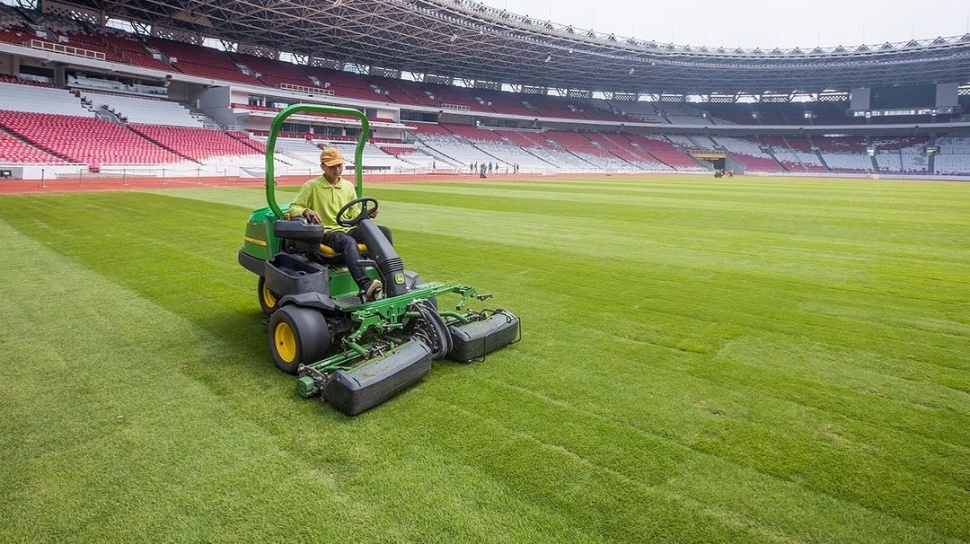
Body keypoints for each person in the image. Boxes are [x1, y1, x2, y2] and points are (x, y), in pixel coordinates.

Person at [286, 147, 391, 300]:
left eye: (340, 165)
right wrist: (306, 211)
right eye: (332, 166)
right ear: (323, 166)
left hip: (347, 228)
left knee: (383, 232)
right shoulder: (312, 186)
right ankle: (365, 285)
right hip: (327, 231)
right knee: (348, 242)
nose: (337, 169)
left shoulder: (347, 186)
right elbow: (293, 207)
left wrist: (366, 214)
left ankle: (389, 276)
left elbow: (353, 214)